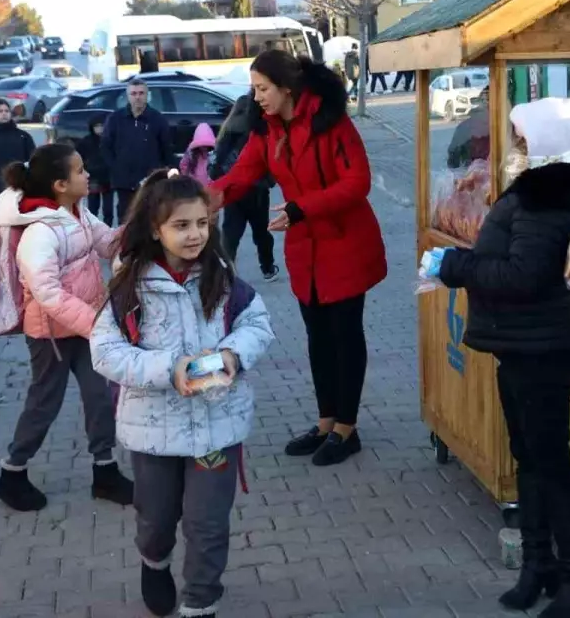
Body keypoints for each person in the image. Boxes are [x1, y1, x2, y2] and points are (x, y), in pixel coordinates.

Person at [430, 97, 570, 617]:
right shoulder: (536, 192)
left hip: (543, 344)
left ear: (537, 145)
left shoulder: (546, 198)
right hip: (522, 342)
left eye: (518, 137)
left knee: (550, 461)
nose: (511, 145)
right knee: (529, 456)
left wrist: (454, 265)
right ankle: (538, 565)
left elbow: (523, 276)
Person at [91, 170, 273, 618]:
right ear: (156, 229)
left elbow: (257, 324)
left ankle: (201, 601)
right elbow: (105, 352)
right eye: (181, 225)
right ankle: (154, 562)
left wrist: (232, 355)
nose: (195, 235)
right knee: (155, 519)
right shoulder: (130, 286)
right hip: (154, 430)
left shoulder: (223, 276)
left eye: (202, 223)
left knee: (207, 523)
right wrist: (167, 369)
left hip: (216, 428)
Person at [210, 50, 386, 466]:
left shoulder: (330, 120)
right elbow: (243, 174)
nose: (256, 98)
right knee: (316, 336)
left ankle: (347, 427)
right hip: (304, 246)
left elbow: (357, 181)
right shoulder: (267, 129)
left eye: (263, 89)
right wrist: (204, 198)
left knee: (345, 335)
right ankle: (326, 421)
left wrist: (302, 208)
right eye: (254, 90)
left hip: (344, 242)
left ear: (286, 88)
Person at [0, 143, 132, 512]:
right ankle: (12, 473)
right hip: (50, 336)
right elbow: (48, 293)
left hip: (86, 328)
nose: (87, 175)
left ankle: (105, 471)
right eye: (80, 170)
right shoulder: (40, 231)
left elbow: (108, 242)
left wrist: (148, 217)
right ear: (59, 184)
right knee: (44, 404)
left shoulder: (77, 212)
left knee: (100, 397)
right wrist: (97, 325)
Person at [211, 91, 278, 282]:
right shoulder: (256, 131)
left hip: (232, 191)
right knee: (261, 232)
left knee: (231, 233)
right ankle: (267, 267)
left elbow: (216, 165)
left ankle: (226, 270)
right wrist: (268, 181)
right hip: (256, 191)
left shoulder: (227, 131)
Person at [102, 79, 174, 222]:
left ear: (147, 95)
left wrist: (164, 172)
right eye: (133, 93)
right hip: (123, 180)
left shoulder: (157, 119)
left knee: (149, 217)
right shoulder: (115, 119)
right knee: (126, 218)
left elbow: (166, 148)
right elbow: (105, 146)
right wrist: (116, 167)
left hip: (150, 181)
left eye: (141, 93)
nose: (137, 97)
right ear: (128, 96)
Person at [76, 117, 113, 226]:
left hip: (108, 177)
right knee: (93, 207)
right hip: (92, 178)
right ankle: (93, 228)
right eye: (97, 126)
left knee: (108, 209)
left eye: (101, 126)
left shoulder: (109, 140)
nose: (99, 129)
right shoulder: (86, 141)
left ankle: (108, 228)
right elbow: (78, 157)